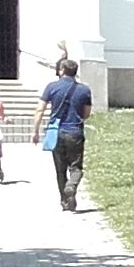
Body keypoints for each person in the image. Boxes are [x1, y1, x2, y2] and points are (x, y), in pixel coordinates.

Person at [35, 55, 93, 213]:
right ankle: (71, 186)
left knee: (60, 169)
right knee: (76, 167)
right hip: (75, 131)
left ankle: (65, 201)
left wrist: (36, 131)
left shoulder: (51, 87)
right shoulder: (84, 90)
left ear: (62, 71)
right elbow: (86, 114)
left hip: (57, 132)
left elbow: (40, 109)